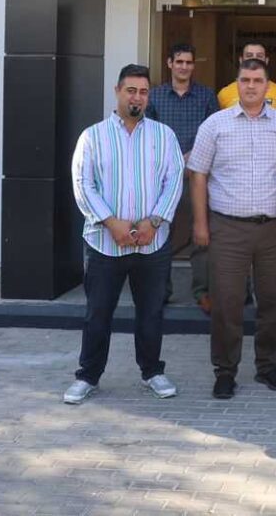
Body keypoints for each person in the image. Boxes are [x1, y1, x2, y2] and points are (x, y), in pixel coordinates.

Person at [64, 64, 185, 405]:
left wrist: (154, 221)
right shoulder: (93, 137)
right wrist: (111, 223)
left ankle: (152, 372)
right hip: (105, 244)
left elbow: (174, 180)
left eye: (143, 92)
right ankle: (88, 376)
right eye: (131, 90)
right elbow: (82, 184)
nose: (137, 97)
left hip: (152, 243)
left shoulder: (164, 136)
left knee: (151, 313)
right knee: (98, 314)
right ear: (117, 91)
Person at [188, 58, 276, 400]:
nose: (251, 86)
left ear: (268, 86)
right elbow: (198, 175)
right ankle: (225, 371)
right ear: (236, 84)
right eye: (245, 80)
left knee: (273, 300)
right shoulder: (215, 125)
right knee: (227, 302)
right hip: (228, 228)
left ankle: (268, 365)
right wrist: (200, 224)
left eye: (257, 80)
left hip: (274, 228)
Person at [146, 42, 217, 315]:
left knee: (201, 233)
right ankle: (160, 290)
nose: (184, 67)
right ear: (169, 64)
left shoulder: (206, 96)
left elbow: (213, 133)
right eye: (179, 62)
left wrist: (192, 158)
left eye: (188, 62)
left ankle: (202, 291)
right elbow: (148, 135)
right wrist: (175, 159)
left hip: (198, 176)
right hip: (162, 179)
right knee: (162, 235)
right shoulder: (155, 97)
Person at [217, 41, 276, 109]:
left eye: (259, 56)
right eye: (249, 55)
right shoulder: (224, 93)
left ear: (266, 61)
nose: (254, 59)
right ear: (241, 60)